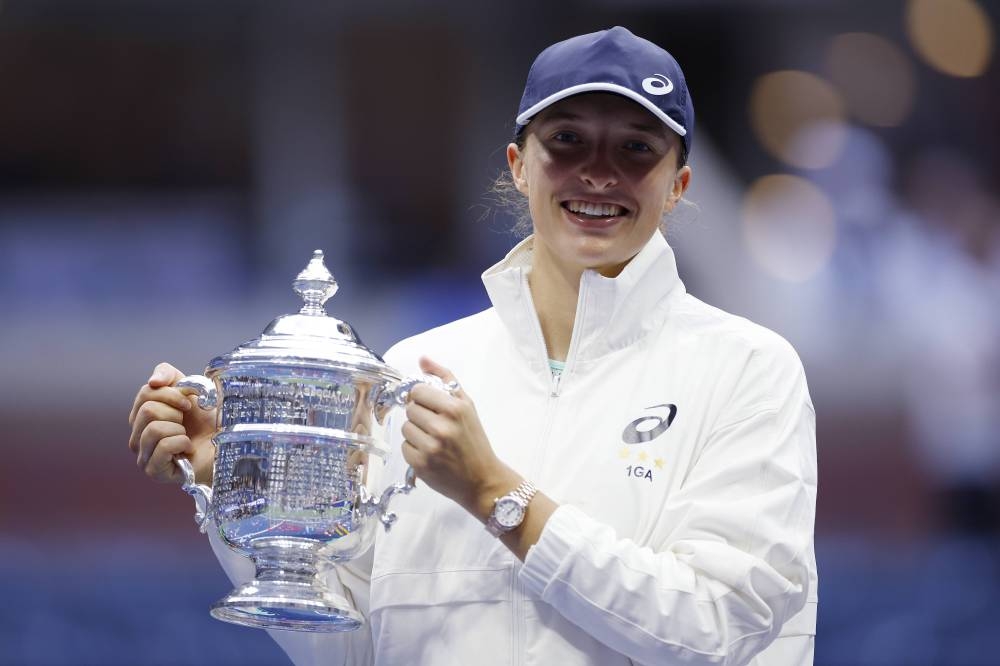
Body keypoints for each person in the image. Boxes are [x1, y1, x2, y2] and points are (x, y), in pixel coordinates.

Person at [128, 26, 817, 666]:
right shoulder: (413, 371)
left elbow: (719, 625)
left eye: (637, 148)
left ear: (678, 187)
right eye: (568, 141)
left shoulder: (749, 370)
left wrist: (494, 494)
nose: (599, 173)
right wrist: (232, 486)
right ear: (520, 166)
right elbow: (351, 645)